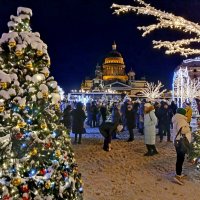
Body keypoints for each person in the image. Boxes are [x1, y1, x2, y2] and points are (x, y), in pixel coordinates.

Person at [172, 108, 191, 185]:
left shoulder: (177, 118)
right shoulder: (181, 120)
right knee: (180, 158)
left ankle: (178, 173)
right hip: (181, 141)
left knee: (180, 158)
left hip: (178, 140)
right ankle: (177, 175)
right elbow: (183, 130)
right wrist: (188, 128)